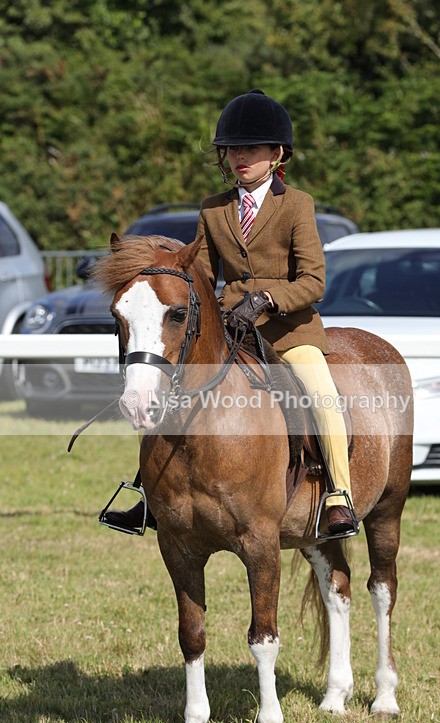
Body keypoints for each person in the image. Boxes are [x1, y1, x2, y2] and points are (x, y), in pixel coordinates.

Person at [105, 89, 355, 538]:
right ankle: (149, 493)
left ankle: (338, 494)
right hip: (232, 329)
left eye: (251, 149)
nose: (240, 157)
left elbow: (313, 281)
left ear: (277, 154)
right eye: (233, 149)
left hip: (288, 331)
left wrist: (266, 299)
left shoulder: (297, 204)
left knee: (320, 394)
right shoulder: (213, 208)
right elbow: (202, 274)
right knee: (166, 385)